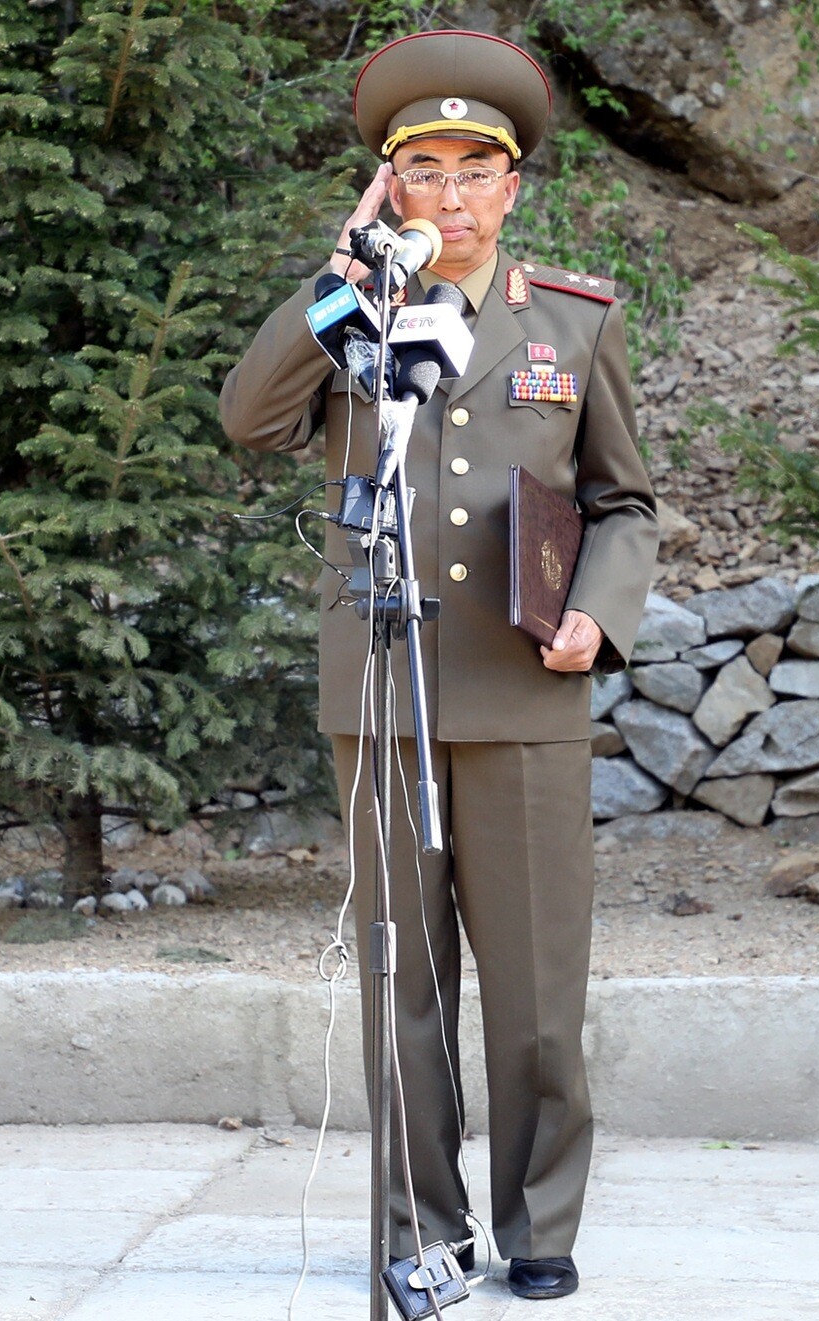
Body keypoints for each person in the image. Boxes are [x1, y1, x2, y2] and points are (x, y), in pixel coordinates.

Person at [219, 29, 658, 1302]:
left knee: (534, 993)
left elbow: (625, 501)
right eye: (423, 171)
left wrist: (598, 610)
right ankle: (420, 1229)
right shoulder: (354, 316)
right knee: (402, 985)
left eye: (477, 172)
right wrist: (338, 272)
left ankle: (538, 1230)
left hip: (525, 693)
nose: (452, 198)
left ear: (512, 187)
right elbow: (250, 417)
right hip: (385, 694)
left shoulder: (565, 324)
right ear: (389, 185)